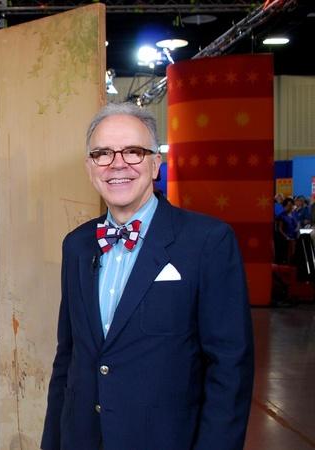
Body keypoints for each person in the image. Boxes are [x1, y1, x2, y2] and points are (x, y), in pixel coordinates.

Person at [41, 103, 254, 450]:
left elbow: (230, 369)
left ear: (156, 164)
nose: (117, 163)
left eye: (134, 152)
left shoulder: (207, 242)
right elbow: (68, 357)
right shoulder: (77, 246)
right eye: (103, 153)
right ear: (90, 167)